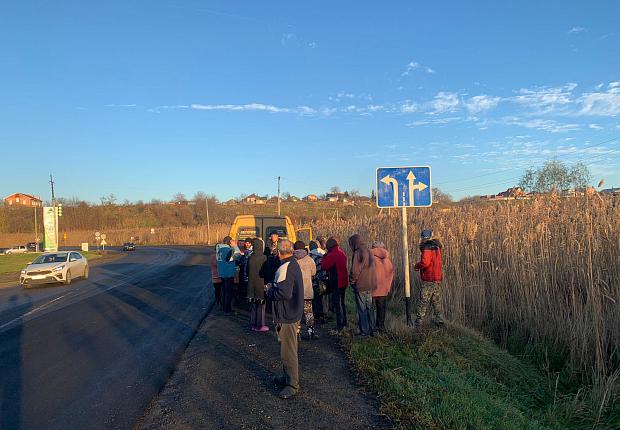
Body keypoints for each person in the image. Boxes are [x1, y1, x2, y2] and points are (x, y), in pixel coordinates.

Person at [265, 239, 304, 399]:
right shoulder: (293, 263)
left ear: (279, 253)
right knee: (286, 348)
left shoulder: (285, 267)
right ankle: (287, 376)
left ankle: (292, 384)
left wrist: (269, 291)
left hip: (287, 314)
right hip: (292, 311)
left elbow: (284, 293)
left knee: (288, 350)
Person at [413, 229, 444, 327]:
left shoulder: (426, 247)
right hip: (437, 277)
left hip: (429, 278)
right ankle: (439, 319)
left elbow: (425, 262)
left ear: (423, 238)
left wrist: (417, 266)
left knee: (424, 300)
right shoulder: (437, 246)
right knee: (436, 300)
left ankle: (419, 321)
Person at [348, 234, 376, 336]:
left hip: (361, 285)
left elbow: (355, 271)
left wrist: (352, 281)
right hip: (370, 284)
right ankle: (372, 328)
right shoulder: (369, 251)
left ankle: (364, 331)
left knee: (362, 309)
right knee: (370, 307)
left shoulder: (358, 252)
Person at [321, 237, 348, 335]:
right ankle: (344, 323)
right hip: (343, 281)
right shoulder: (342, 253)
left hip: (337, 282)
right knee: (342, 303)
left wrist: (324, 256)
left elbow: (324, 266)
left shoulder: (332, 254)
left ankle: (339, 326)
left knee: (337, 304)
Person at [293, 240, 318, 339]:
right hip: (307, 290)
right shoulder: (310, 260)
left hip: (296, 292)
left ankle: (297, 331)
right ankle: (310, 331)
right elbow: (314, 273)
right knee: (309, 312)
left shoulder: (293, 260)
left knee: (296, 312)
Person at [371, 241, 394, 332]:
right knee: (381, 308)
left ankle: (372, 326)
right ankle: (381, 326)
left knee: (370, 308)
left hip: (372, 288)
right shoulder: (387, 260)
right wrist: (387, 287)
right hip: (383, 288)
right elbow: (390, 274)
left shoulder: (370, 258)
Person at [247, 238, 269, 332]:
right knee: (261, 305)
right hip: (261, 283)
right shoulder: (264, 257)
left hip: (251, 283)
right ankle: (260, 325)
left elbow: (247, 270)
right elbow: (266, 271)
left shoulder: (250, 257)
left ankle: (253, 323)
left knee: (253, 305)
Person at [216, 236, 241, 315]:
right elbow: (238, 256)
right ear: (230, 242)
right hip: (228, 273)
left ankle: (224, 308)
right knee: (228, 293)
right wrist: (235, 246)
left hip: (222, 273)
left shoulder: (219, 250)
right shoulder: (228, 250)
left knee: (224, 292)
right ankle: (227, 310)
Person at [309, 239, 327, 323]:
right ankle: (323, 315)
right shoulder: (323, 254)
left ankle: (316, 315)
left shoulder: (310, 256)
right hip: (323, 279)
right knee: (322, 297)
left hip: (314, 280)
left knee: (315, 298)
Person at [236, 237, 253, 307]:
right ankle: (243, 301)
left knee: (247, 288)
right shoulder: (243, 250)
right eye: (246, 243)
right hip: (243, 272)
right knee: (243, 287)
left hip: (249, 273)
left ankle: (247, 302)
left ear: (251, 243)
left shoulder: (252, 252)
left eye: (248, 243)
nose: (246, 244)